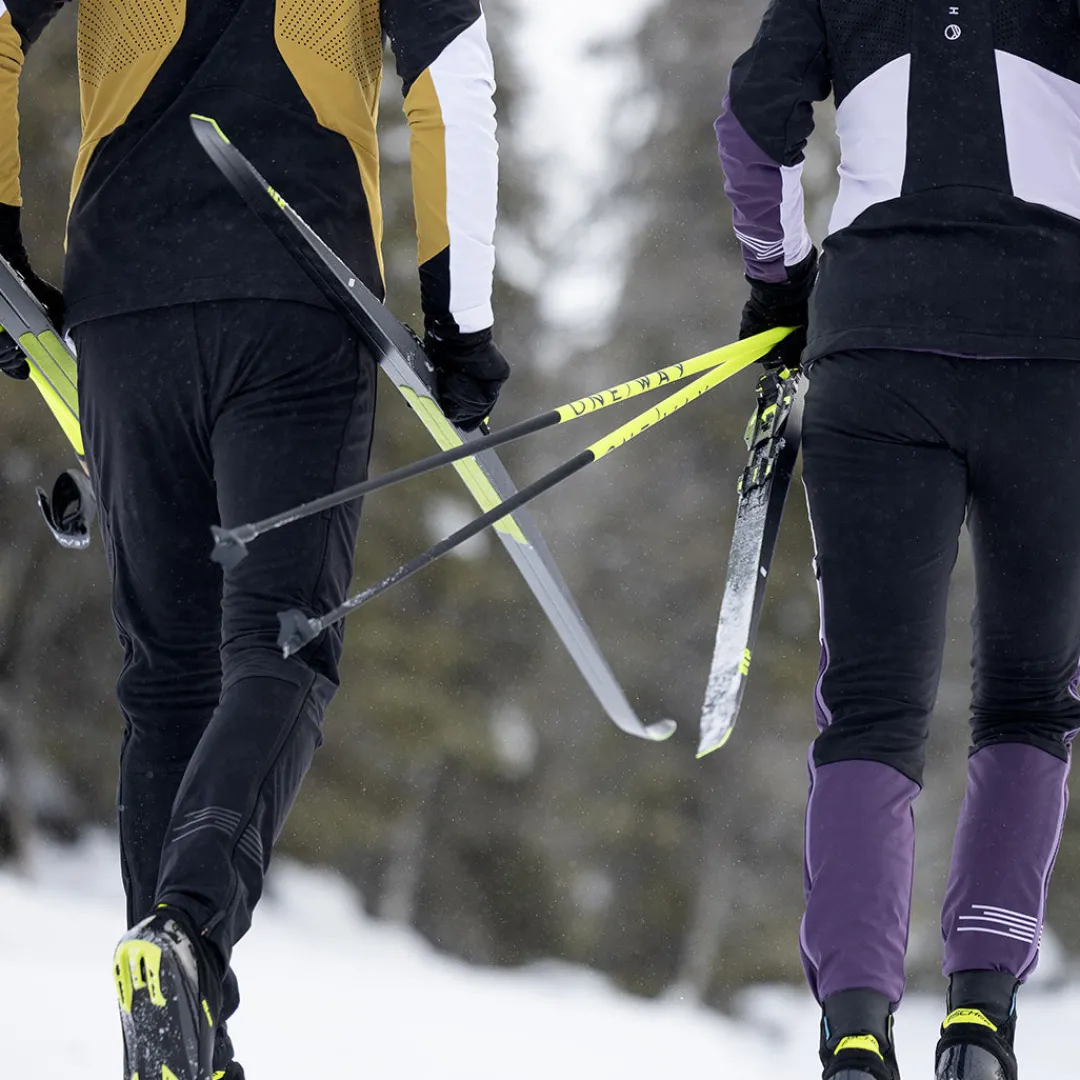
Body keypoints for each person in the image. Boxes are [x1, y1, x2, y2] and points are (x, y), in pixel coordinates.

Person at [0, 2, 509, 1078]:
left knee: (166, 680)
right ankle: (185, 932)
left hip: (125, 302)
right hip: (295, 287)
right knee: (281, 647)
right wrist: (459, 322)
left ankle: (180, 1044)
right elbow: (453, 83)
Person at [715, 3, 1080, 1079]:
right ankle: (980, 1026)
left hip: (876, 349)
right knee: (1030, 701)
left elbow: (754, 120)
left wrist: (780, 284)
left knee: (871, 705)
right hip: (1055, 359)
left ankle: (855, 1033)